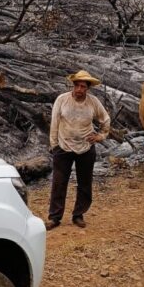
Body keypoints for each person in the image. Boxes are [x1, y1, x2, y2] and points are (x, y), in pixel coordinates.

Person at [46, 69, 110, 230]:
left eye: (83, 87)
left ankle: (78, 214)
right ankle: (55, 217)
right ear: (73, 86)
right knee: (59, 183)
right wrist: (54, 144)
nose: (80, 90)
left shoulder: (93, 102)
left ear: (87, 88)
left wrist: (100, 136)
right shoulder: (62, 99)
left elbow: (105, 119)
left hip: (86, 147)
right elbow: (54, 122)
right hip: (63, 145)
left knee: (84, 182)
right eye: (78, 86)